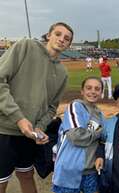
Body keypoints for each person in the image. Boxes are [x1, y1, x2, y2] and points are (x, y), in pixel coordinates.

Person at [0, 22, 73, 193]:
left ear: (69, 44)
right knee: (1, 182)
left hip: (29, 135)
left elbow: (52, 107)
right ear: (48, 35)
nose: (62, 39)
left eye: (67, 38)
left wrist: (39, 128)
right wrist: (19, 118)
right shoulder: (26, 46)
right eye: (58, 34)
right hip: (4, 130)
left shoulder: (63, 73)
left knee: (26, 175)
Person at [52, 76, 104, 193]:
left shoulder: (100, 115)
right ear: (82, 91)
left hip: (90, 171)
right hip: (69, 170)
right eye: (89, 88)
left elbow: (103, 140)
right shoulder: (75, 106)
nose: (93, 92)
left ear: (101, 92)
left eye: (97, 89)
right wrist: (98, 133)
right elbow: (76, 137)